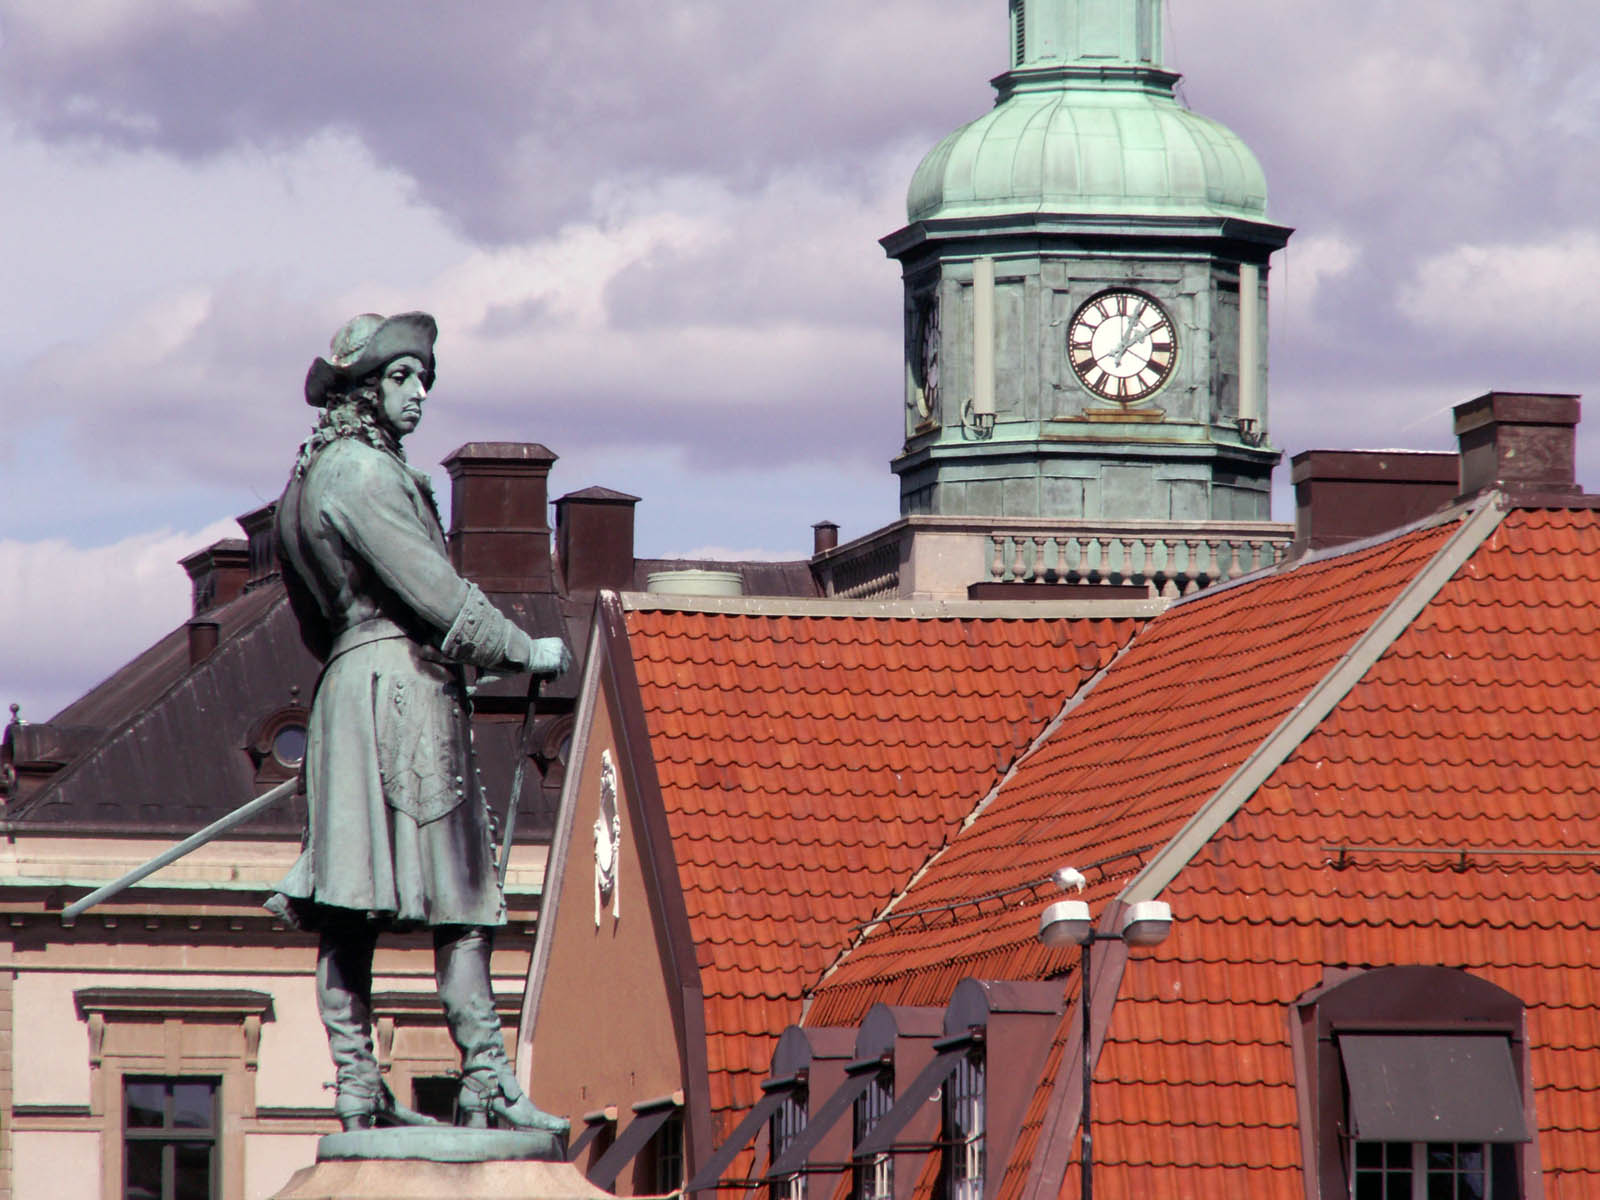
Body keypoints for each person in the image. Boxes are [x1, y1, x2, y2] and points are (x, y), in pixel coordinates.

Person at [269, 311, 570, 1134]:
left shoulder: (302, 487)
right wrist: (521, 648)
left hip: (344, 690)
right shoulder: (364, 473)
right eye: (402, 378)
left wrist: (357, 657)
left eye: (424, 379)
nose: (419, 395)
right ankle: (488, 1080)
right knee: (461, 895)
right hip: (403, 693)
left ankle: (358, 1085)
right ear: (363, 390)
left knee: (347, 905)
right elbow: (432, 590)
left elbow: (310, 617)